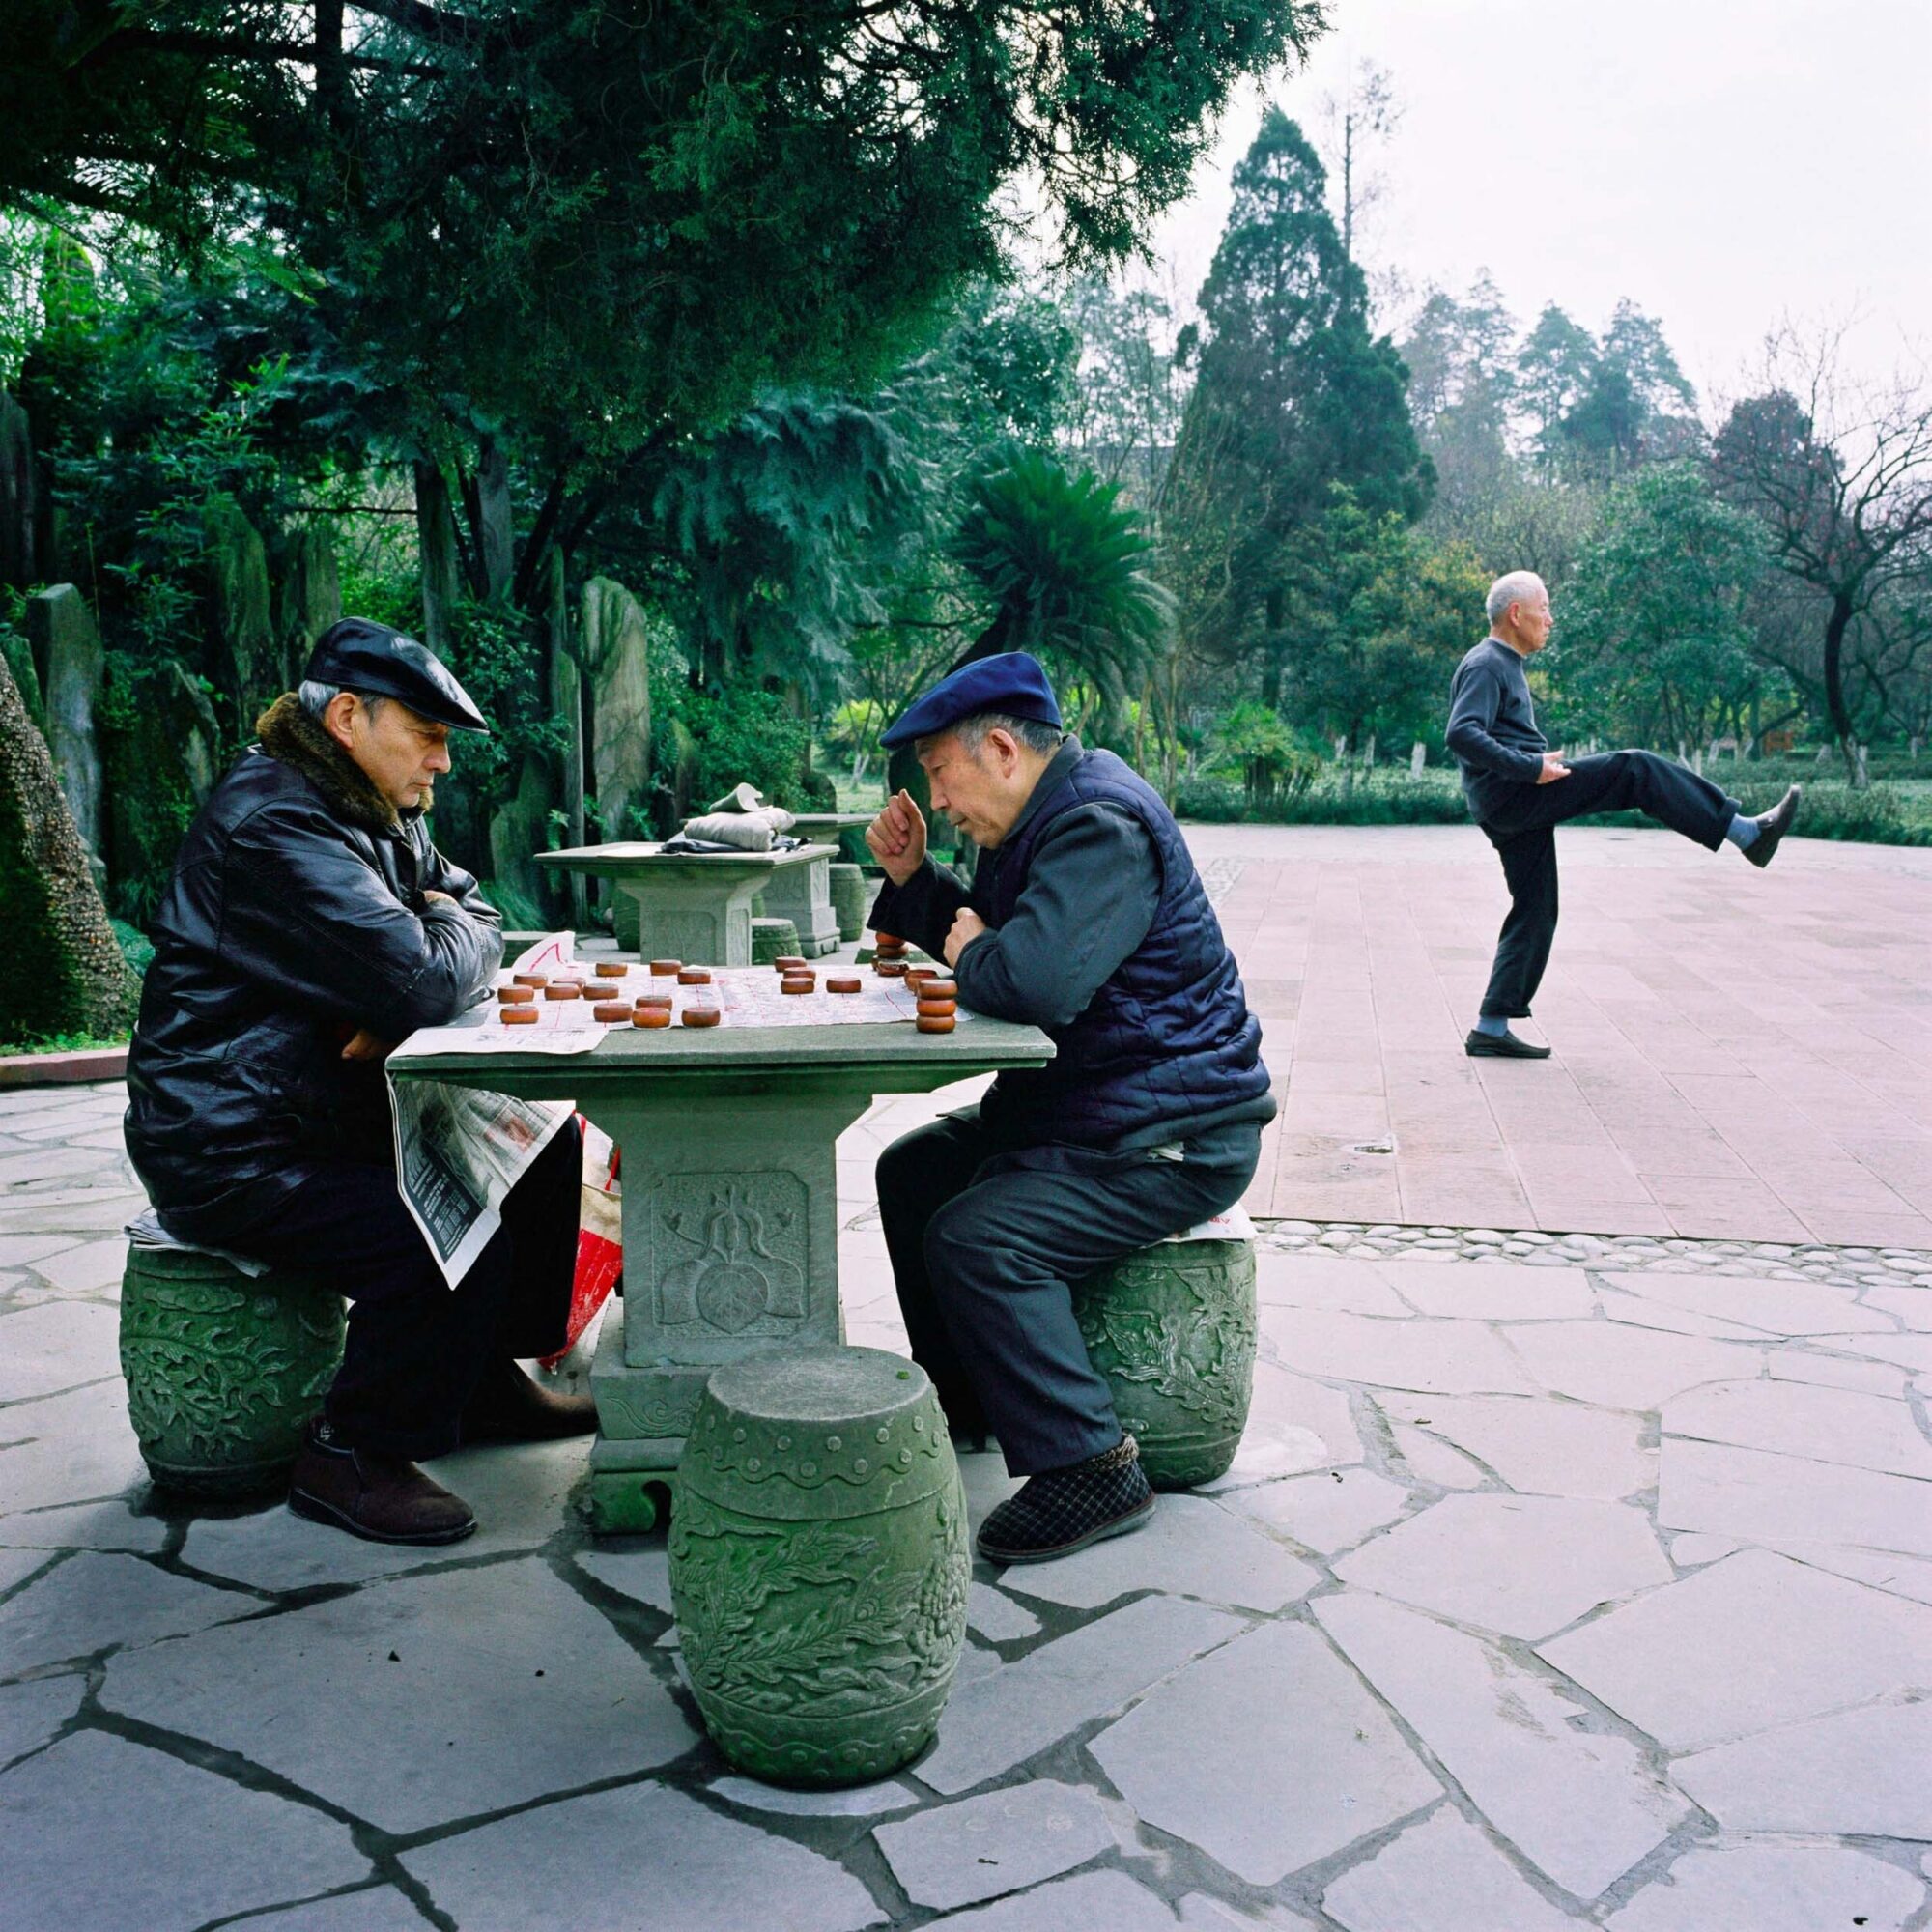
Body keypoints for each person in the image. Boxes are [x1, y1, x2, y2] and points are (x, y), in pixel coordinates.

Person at [125, 618, 594, 1548]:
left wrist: (426, 954)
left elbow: (475, 912)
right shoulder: (274, 823)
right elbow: (425, 980)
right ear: (348, 717)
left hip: (318, 1106)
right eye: (427, 735)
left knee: (544, 1148)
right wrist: (419, 966)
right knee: (440, 1240)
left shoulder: (372, 806)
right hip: (232, 1139)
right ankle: (351, 1450)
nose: (443, 763)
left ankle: (477, 1381)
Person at [865, 652, 1275, 1565]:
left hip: (1171, 1133)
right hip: (1092, 1107)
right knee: (914, 1171)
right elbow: (995, 945)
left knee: (980, 1237)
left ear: (1003, 750)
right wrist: (916, 879)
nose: (936, 801)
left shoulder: (1098, 825)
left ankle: (1089, 1464)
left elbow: (1031, 981)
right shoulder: (1042, 818)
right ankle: (975, 1402)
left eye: (940, 773)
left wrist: (977, 948)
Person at [1447, 571, 1802, 1060]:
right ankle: (1745, 833)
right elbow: (1462, 733)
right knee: (1636, 769)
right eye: (1544, 608)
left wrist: (1530, 763)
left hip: (1510, 801)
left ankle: (1490, 1027)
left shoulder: (1502, 663)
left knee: (1536, 908)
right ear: (1515, 613)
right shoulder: (1487, 663)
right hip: (1517, 794)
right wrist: (1531, 768)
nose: (1550, 619)